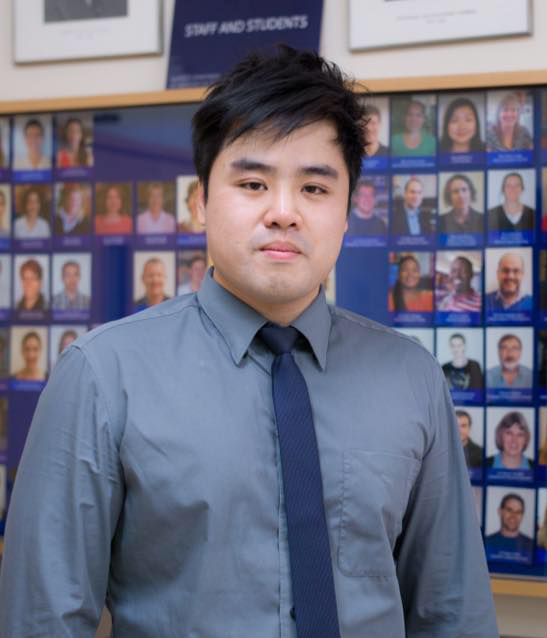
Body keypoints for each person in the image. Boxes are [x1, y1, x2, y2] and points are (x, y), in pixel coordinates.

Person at [0, 47, 497, 636]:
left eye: (314, 188)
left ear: (346, 212)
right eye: (254, 183)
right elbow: (43, 618)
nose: (283, 213)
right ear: (202, 202)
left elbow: (451, 613)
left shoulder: (411, 377)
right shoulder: (102, 375)